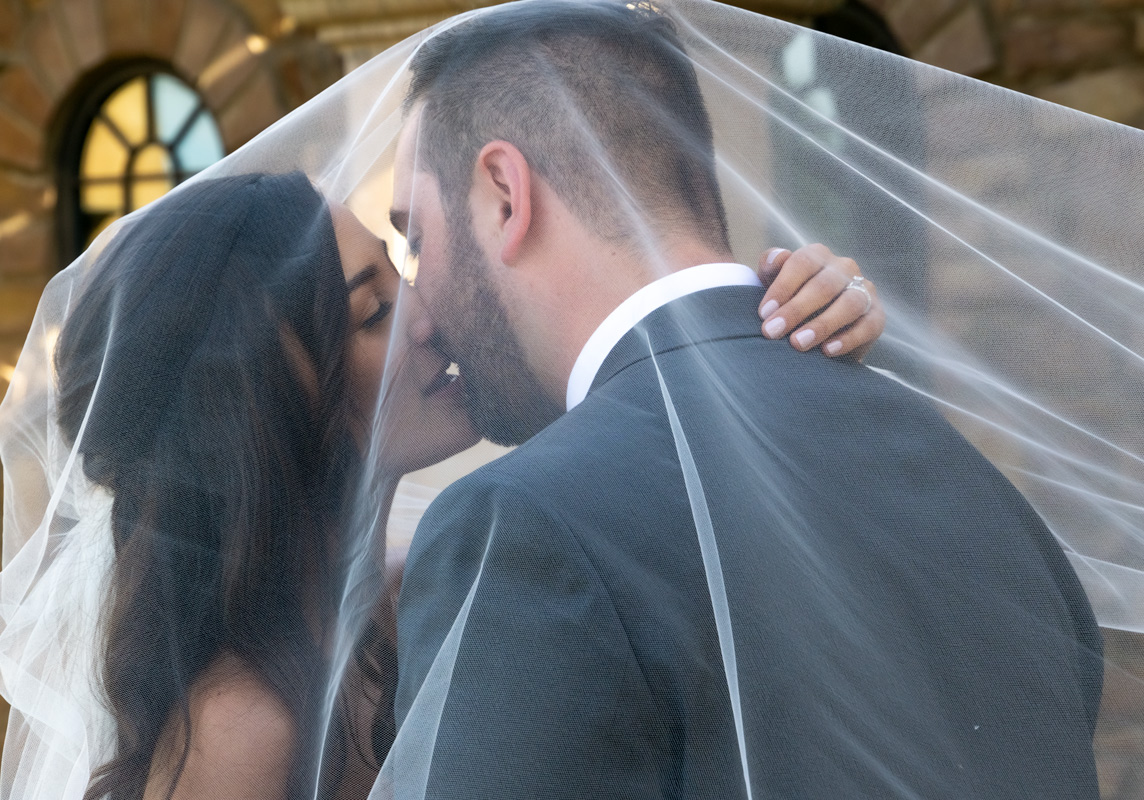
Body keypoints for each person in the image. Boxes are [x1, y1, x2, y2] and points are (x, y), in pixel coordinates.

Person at [0, 162, 884, 800]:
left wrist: (776, 329)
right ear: (263, 410)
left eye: (401, 272)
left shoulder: (447, 583)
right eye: (372, 312)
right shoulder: (242, 730)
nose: (426, 314)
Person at [388, 3, 1105, 798]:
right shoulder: (970, 478)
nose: (415, 307)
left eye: (416, 237)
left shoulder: (525, 526)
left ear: (503, 195)